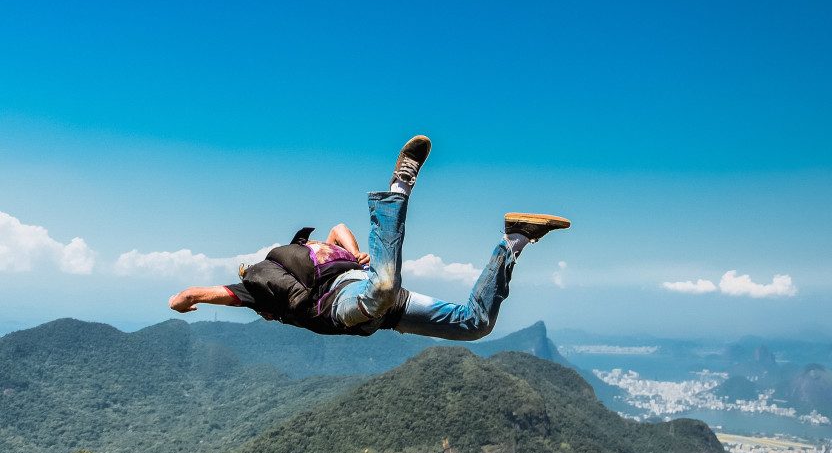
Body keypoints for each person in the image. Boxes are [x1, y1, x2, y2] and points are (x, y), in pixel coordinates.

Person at [168, 135, 569, 340]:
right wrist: (357, 253)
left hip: (351, 302)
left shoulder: (260, 289)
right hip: (386, 308)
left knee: (383, 285)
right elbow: (339, 228)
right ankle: (514, 239)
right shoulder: (312, 248)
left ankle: (400, 186)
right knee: (475, 324)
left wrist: (180, 304)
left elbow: (192, 294)